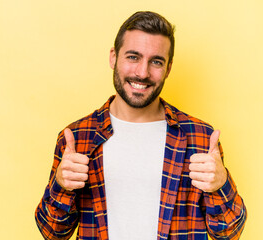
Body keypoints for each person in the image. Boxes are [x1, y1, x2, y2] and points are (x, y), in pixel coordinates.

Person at [35, 11, 247, 240]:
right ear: (113, 58)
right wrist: (61, 186)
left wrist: (220, 184)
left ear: (168, 68)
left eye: (156, 61)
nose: (142, 72)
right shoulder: (77, 138)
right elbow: (53, 233)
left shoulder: (200, 138)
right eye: (133, 57)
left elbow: (228, 234)